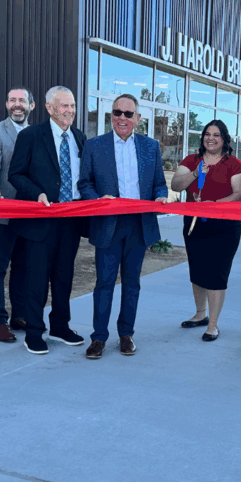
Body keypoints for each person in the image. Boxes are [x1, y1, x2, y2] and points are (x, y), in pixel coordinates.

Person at [77, 93, 168, 359]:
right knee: (104, 283)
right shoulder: (95, 145)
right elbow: (85, 184)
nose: (122, 118)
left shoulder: (151, 147)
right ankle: (98, 338)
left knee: (131, 283)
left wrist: (160, 195)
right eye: (117, 112)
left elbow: (159, 183)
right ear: (111, 116)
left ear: (138, 119)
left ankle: (126, 334)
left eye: (128, 114)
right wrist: (97, 200)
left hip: (138, 224)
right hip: (109, 223)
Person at [8, 86, 87, 355]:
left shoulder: (80, 137)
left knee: (64, 276)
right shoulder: (31, 136)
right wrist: (37, 193)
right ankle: (33, 332)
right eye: (64, 106)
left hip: (70, 219)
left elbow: (83, 179)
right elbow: (16, 174)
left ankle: (60, 326)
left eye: (73, 105)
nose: (70, 111)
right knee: (37, 279)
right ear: (49, 108)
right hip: (40, 219)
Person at [170, 119, 241, 341]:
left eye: (216, 135)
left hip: (224, 226)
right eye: (207, 134)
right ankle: (200, 314)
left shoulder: (233, 164)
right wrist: (194, 174)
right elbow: (176, 185)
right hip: (195, 224)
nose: (210, 138)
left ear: (224, 140)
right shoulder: (191, 161)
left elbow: (240, 193)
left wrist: (213, 204)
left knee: (216, 274)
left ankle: (213, 324)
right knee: (198, 270)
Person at [0, 87, 35, 343]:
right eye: (12, 100)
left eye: (22, 100)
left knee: (24, 266)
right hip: (3, 210)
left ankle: (20, 315)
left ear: (31, 106)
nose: (17, 105)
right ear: (6, 104)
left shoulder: (38, 134)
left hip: (32, 213)